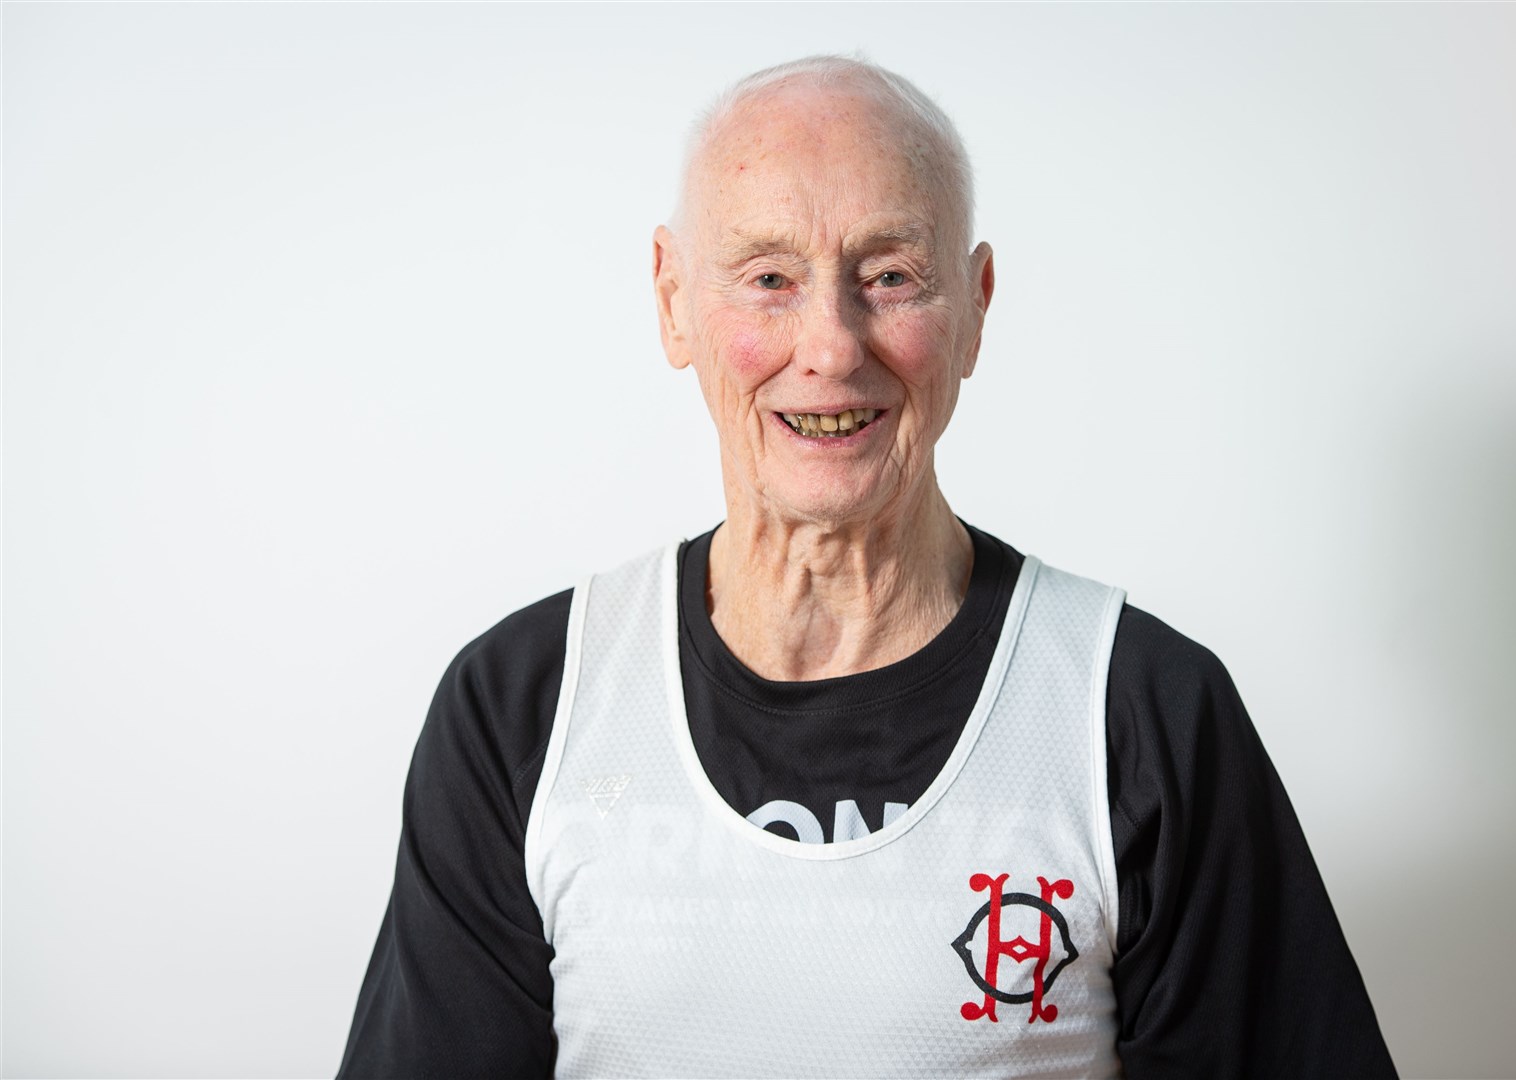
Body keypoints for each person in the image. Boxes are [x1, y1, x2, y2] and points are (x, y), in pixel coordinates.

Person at [338, 55, 1397, 1079]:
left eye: (890, 275)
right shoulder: (525, 708)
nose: (832, 346)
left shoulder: (1141, 711)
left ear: (976, 305)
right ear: (672, 300)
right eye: (769, 278)